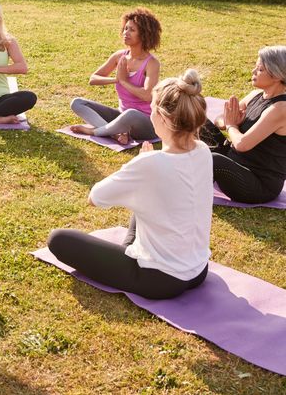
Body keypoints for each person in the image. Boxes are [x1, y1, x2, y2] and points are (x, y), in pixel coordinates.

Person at [49, 69, 212, 300]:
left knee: (58, 239)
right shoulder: (203, 151)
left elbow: (95, 197)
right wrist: (145, 168)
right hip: (198, 270)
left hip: (161, 279)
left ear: (163, 118)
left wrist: (140, 163)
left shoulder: (150, 163)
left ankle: (129, 254)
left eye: (153, 108)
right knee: (147, 197)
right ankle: (130, 251)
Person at [201, 46, 286, 204]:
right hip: (234, 160)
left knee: (213, 160)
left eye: (260, 69)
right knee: (197, 121)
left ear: (276, 75)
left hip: (258, 183)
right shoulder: (256, 95)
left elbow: (242, 144)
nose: (253, 71)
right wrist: (230, 122)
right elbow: (221, 118)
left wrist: (232, 125)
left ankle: (182, 194)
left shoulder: (280, 109)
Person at [70, 7, 161, 145]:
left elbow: (148, 95)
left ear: (144, 34)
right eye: (125, 28)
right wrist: (116, 79)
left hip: (145, 122)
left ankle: (95, 132)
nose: (126, 33)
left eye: (132, 30)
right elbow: (93, 79)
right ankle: (116, 133)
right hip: (121, 116)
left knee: (131, 113)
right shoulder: (119, 56)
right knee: (77, 103)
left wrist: (124, 81)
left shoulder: (152, 63)